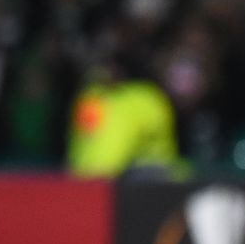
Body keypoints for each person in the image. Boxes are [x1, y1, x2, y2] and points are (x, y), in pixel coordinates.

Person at [67, 50, 180, 178]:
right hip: (95, 185)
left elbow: (102, 165)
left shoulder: (142, 100)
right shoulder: (92, 96)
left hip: (145, 186)